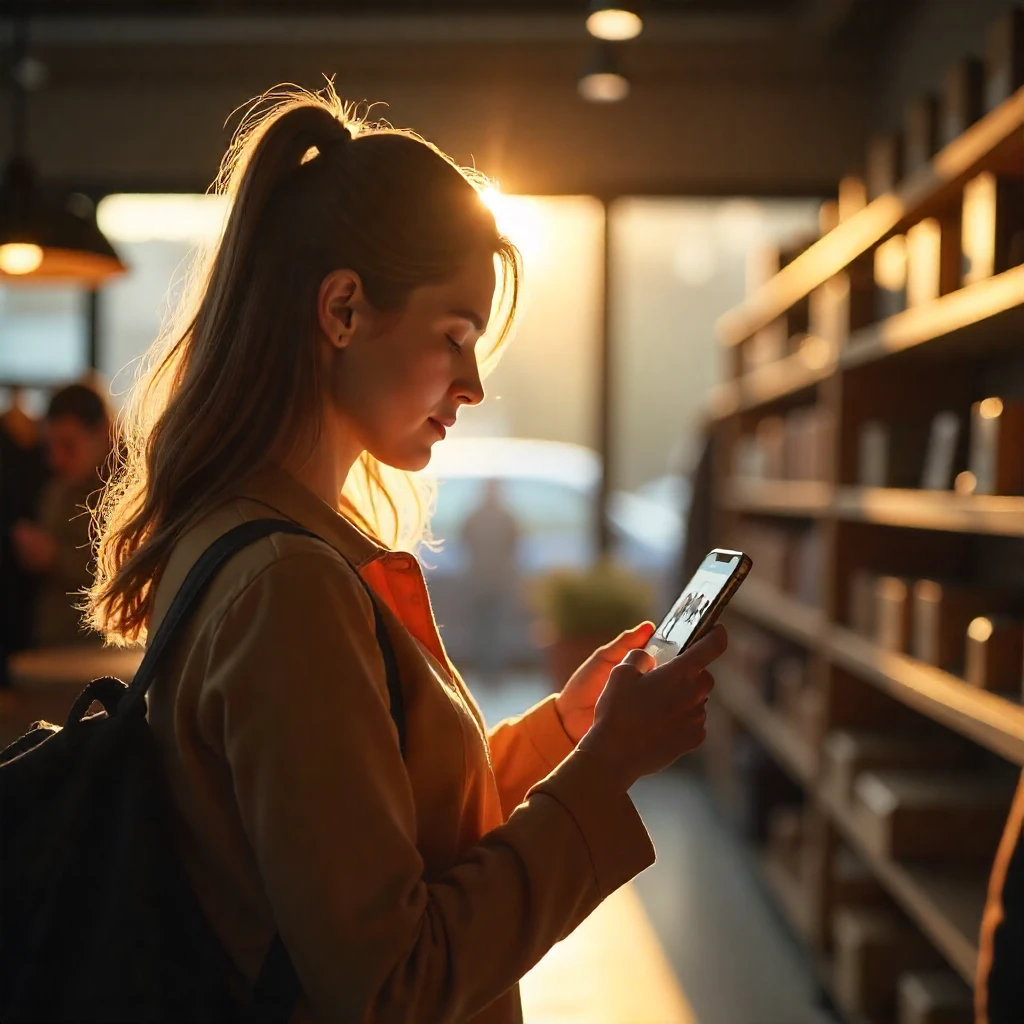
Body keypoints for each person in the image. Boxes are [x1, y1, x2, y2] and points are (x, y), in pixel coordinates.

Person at [85, 86, 727, 1024]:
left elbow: (376, 829)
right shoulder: (289, 587)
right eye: (456, 335)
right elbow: (392, 985)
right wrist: (605, 771)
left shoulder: (248, 536)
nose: (473, 383)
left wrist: (565, 734)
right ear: (343, 309)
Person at [11, 382, 110, 648]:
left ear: (101, 432)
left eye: (67, 445)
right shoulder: (56, 488)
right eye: (50, 446)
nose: (55, 458)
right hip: (52, 642)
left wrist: (53, 557)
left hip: (102, 649)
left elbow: (127, 572)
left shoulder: (128, 492)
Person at [459, 478, 520, 678]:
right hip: (497, 579)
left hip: (479, 578)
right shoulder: (507, 517)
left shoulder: (474, 517)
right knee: (494, 626)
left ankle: (484, 668)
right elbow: (515, 544)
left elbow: (464, 541)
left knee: (482, 626)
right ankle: (494, 670)